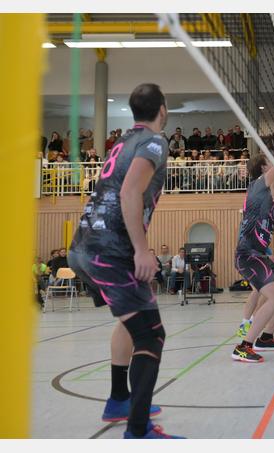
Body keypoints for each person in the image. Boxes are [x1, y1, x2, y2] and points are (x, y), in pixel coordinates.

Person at [66, 83, 182, 438]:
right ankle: (138, 430)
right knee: (151, 333)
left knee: (131, 321)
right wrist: (141, 250)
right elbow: (130, 190)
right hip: (110, 251)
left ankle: (119, 398)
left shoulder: (121, 141)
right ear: (162, 110)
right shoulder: (154, 141)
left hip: (84, 248)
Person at [231, 152, 274, 362]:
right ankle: (244, 346)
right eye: (268, 163)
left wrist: (269, 253)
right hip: (248, 255)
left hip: (261, 254)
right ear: (262, 168)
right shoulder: (258, 183)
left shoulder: (267, 190)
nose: (273, 166)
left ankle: (266, 338)